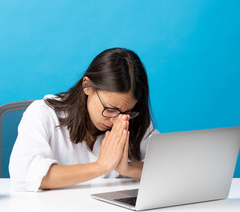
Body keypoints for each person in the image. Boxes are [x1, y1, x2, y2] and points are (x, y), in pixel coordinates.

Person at [9, 48, 159, 192]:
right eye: (110, 109)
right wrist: (101, 166)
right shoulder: (43, 114)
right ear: (87, 86)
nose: (115, 120)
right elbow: (24, 175)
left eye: (126, 112)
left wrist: (128, 168)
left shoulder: (131, 120)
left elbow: (169, 166)